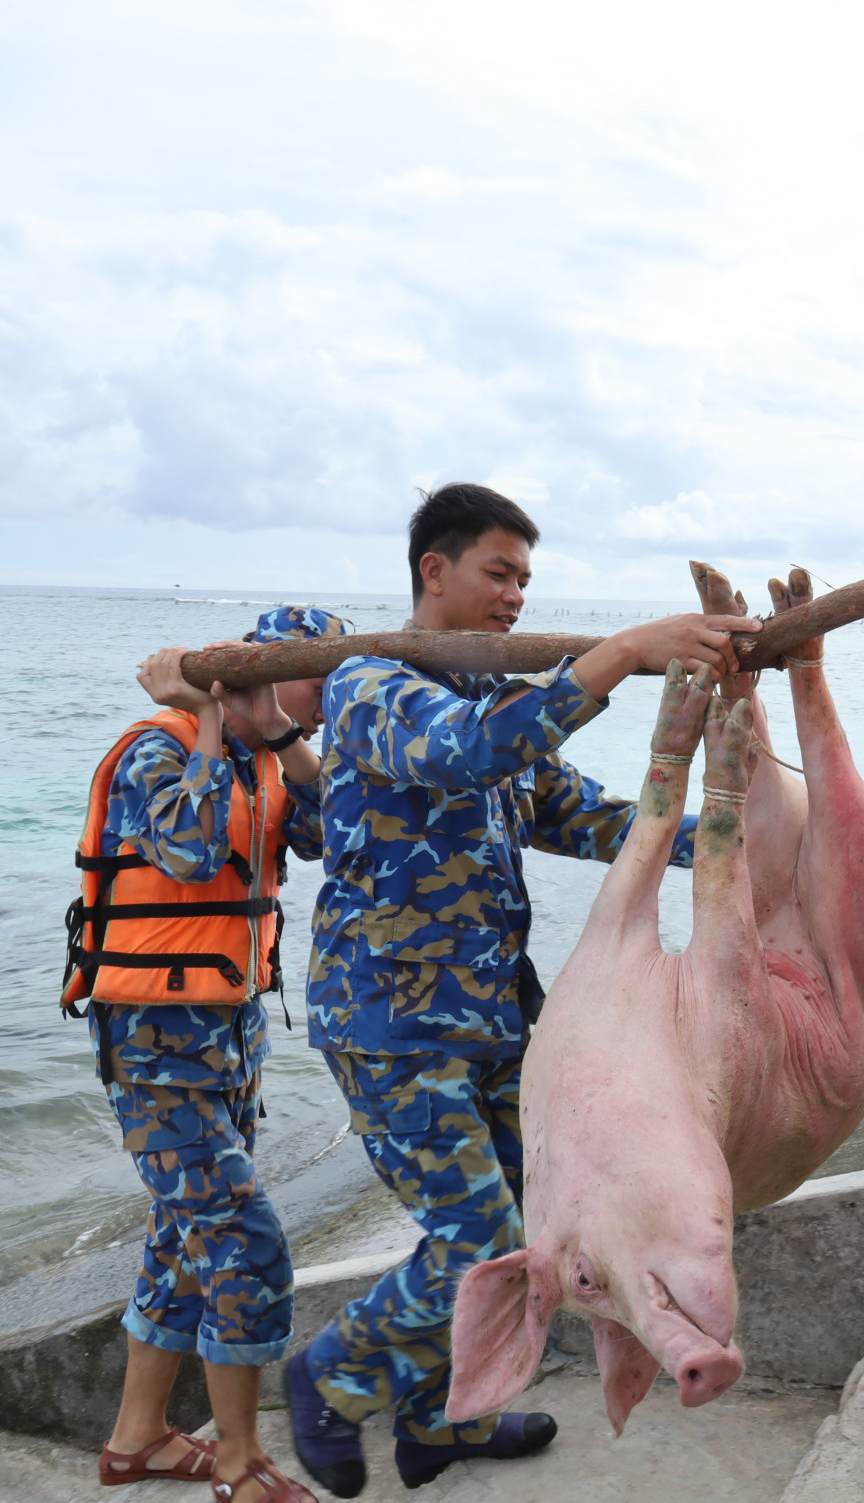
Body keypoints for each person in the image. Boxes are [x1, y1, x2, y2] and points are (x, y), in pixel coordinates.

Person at [285, 484, 761, 1496]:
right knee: (484, 1241)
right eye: (497, 574)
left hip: (502, 1024)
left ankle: (438, 1422)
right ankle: (328, 1375)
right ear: (434, 571)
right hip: (392, 1026)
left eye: (524, 581)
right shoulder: (371, 688)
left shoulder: (493, 705)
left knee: (533, 1230)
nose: (512, 597)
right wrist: (622, 656)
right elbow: (469, 758)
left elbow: (589, 820)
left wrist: (735, 844)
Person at [64, 605, 352, 1503]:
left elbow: (338, 831)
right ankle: (238, 1460)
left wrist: (278, 726)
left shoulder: (269, 759)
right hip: (155, 1046)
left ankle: (137, 1438)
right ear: (253, 676)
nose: (326, 703)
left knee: (183, 1240)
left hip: (229, 1039)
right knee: (243, 1239)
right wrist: (217, 712)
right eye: (315, 680)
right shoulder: (161, 746)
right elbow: (186, 850)